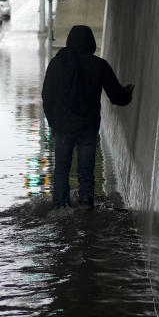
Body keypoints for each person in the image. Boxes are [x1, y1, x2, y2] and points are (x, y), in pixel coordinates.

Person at [41, 25, 135, 209]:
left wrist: (53, 123)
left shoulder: (57, 63)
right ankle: (86, 209)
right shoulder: (99, 65)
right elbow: (116, 97)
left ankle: (60, 208)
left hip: (62, 127)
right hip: (87, 128)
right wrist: (128, 93)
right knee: (85, 172)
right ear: (90, 42)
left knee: (60, 171)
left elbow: (47, 96)